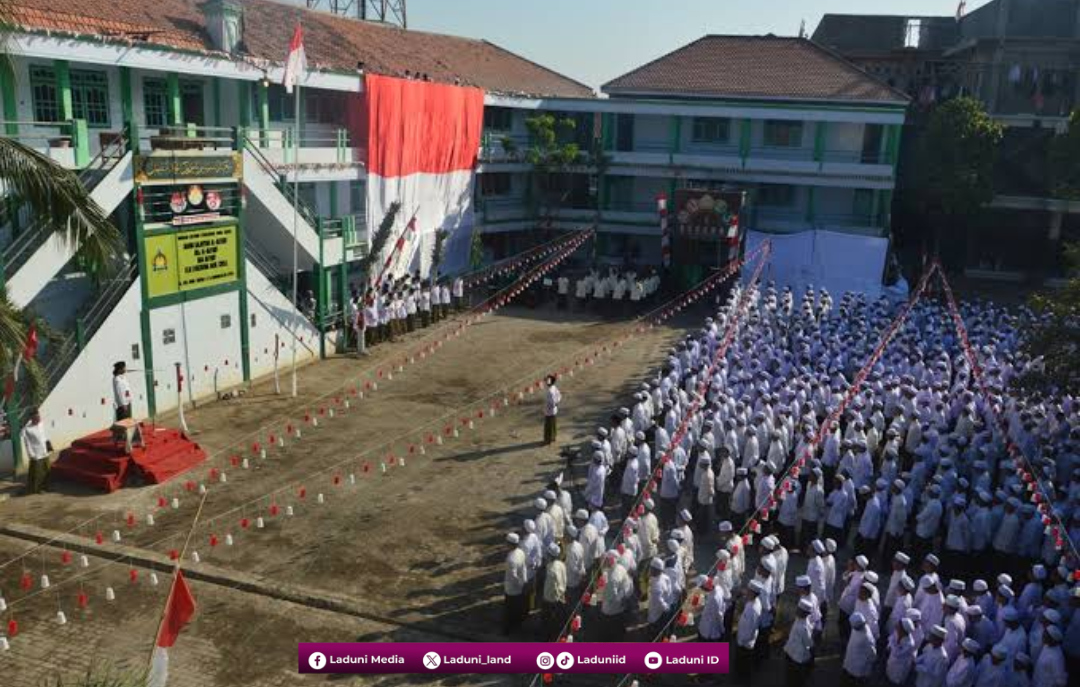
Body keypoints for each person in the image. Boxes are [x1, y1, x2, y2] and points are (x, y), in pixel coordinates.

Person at [784, 597, 816, 687]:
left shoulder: (804, 627)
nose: (796, 610)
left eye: (799, 610)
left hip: (798, 658)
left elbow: (809, 643)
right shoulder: (798, 619)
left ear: (804, 613)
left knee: (796, 680)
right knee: (789, 677)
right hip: (791, 652)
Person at [22, 407, 52, 494]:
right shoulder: (27, 429)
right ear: (32, 418)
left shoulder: (41, 424)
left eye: (39, 417)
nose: (38, 419)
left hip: (44, 452)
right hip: (36, 454)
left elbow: (44, 436)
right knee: (37, 473)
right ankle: (38, 489)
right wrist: (31, 455)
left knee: (47, 471)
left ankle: (46, 486)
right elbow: (27, 444)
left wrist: (48, 445)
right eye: (36, 417)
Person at [503, 532, 528, 635]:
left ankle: (509, 629)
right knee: (517, 606)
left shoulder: (511, 559)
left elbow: (513, 577)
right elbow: (524, 567)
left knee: (510, 609)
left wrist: (518, 584)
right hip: (520, 585)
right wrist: (523, 582)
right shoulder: (520, 552)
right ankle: (518, 623)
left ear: (510, 544)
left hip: (512, 589)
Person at [842, 611, 877, 686]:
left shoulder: (867, 637)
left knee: (858, 681)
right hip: (852, 659)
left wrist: (872, 660)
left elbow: (872, 653)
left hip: (860, 666)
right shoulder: (858, 628)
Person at [541, 542, 566, 640]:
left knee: (548, 620)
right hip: (558, 597)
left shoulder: (551, 570)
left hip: (550, 599)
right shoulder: (560, 564)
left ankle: (548, 638)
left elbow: (556, 587)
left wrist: (557, 595)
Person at [887, 617, 919, 686]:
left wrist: (893, 644)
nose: (896, 625)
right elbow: (890, 638)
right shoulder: (897, 632)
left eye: (899, 625)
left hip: (900, 667)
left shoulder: (910, 643)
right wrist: (892, 644)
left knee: (896, 681)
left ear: (903, 630)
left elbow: (897, 653)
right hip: (892, 661)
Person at [543, 375, 561, 445]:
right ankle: (553, 437)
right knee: (553, 425)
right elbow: (559, 396)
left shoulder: (550, 391)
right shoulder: (554, 387)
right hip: (553, 410)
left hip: (549, 410)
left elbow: (552, 401)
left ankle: (548, 440)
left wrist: (552, 405)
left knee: (548, 426)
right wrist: (557, 403)